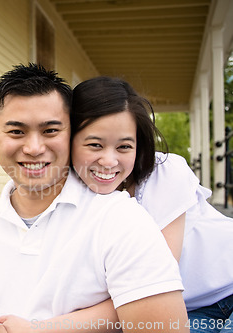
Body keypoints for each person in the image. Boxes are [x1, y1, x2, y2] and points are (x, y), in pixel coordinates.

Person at [0, 64, 188, 333]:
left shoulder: (120, 219)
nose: (33, 148)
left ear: (71, 132)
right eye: (16, 131)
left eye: (50, 131)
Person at [69, 76, 233, 333]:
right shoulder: (69, 193)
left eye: (124, 146)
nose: (109, 161)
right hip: (187, 310)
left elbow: (150, 287)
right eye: (94, 145)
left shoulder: (166, 172)